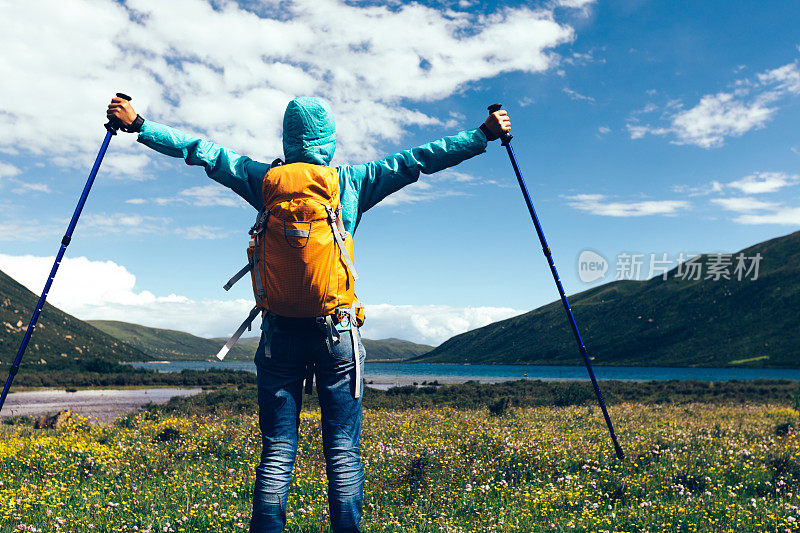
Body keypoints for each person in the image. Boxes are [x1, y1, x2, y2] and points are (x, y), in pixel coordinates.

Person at [107, 95, 511, 533]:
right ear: (330, 140)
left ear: (288, 137)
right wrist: (482, 135)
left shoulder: (262, 179)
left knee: (278, 451)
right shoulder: (352, 181)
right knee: (342, 451)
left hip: (279, 332)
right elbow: (419, 159)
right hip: (337, 331)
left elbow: (201, 151)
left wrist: (140, 124)